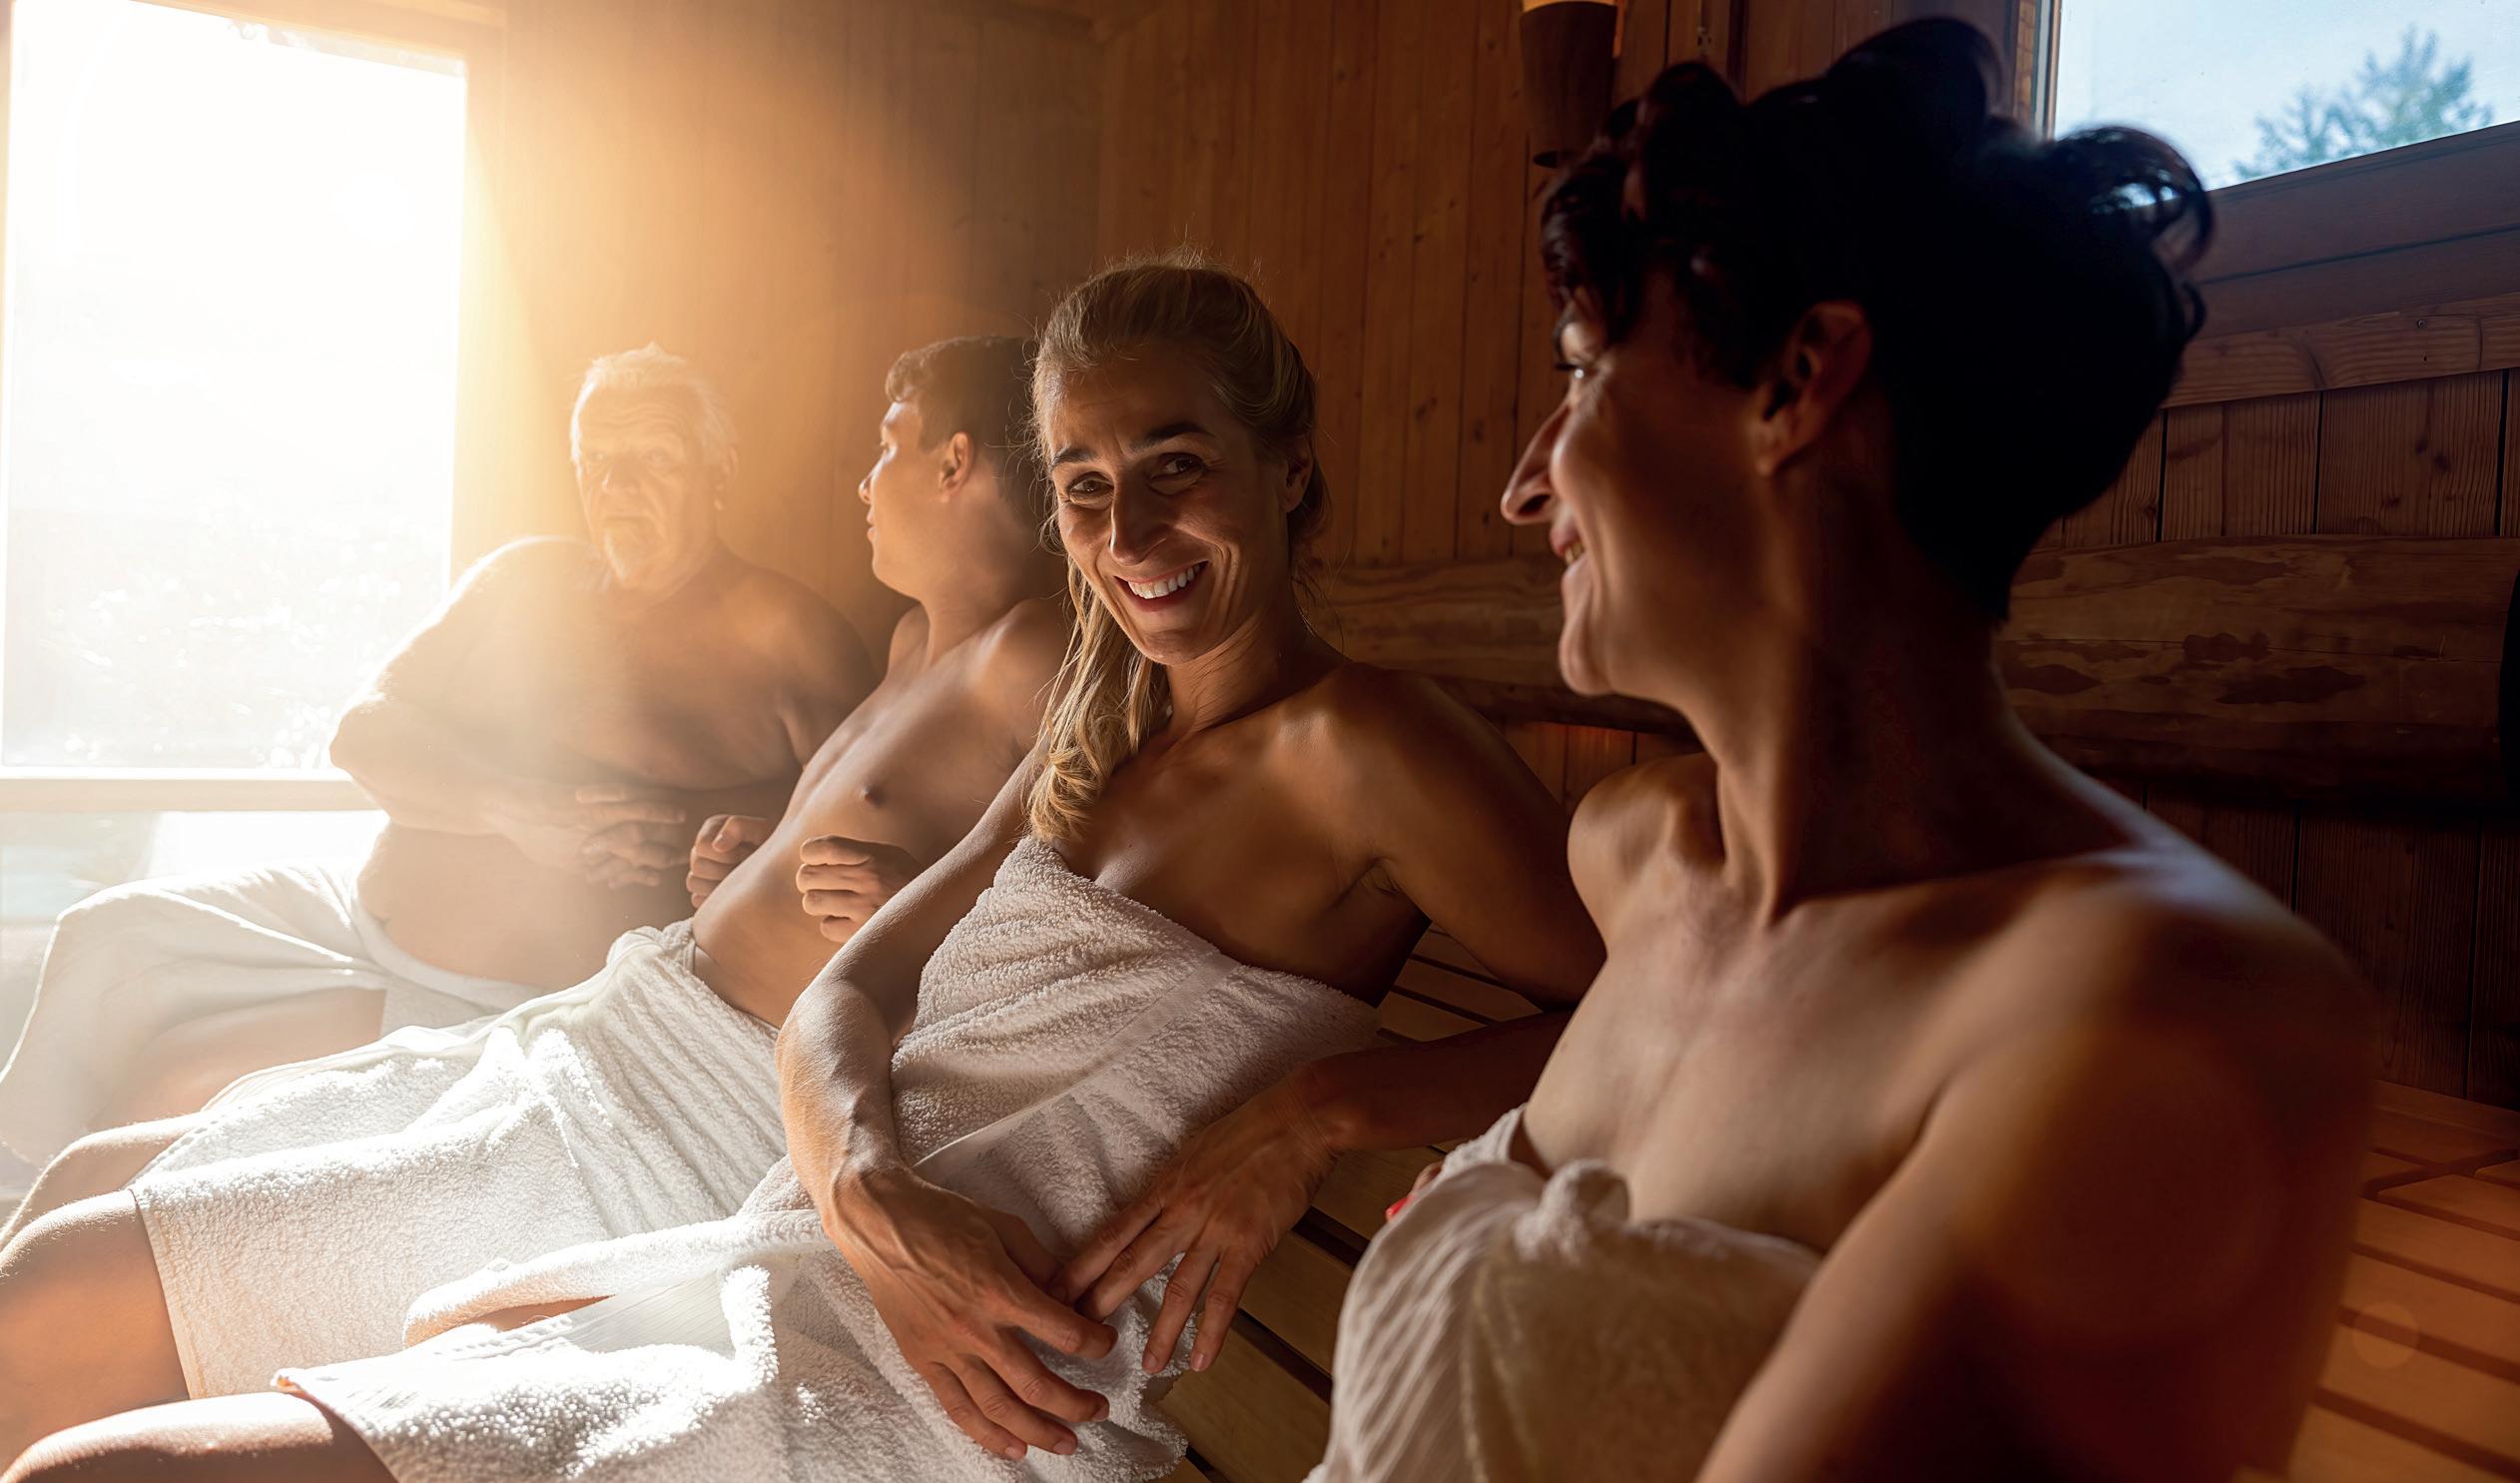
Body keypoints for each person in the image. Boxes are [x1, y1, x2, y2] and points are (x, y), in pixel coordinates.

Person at [2, 256, 1605, 1483]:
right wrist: (866, 1189)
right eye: (1086, 487)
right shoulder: (1104, 730)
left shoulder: (1371, 747)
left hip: (970, 1400)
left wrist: (1317, 1112)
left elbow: (1644, 1015)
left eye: (1176, 463)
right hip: (817, 1264)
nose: (1130, 531)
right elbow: (851, 986)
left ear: (1289, 464)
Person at [1309, 22, 2376, 1483]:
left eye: (1586, 371)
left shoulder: (2143, 1008)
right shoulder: (1636, 857)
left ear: (1800, 378)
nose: (1522, 482)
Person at [0, 335, 1078, 1463]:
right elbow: (850, 822)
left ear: (954, 463)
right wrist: (740, 859)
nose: (862, 482)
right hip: (617, 1017)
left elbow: (1072, 922)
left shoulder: (1023, 653)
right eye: (596, 461)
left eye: (887, 447)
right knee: (90, 1160)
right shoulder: (911, 642)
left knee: (65, 1290)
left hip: (689, 1098)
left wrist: (911, 906)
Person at [0, 346, 872, 1167]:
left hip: (503, 995)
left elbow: (857, 826)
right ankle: (24, 1186)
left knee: (174, 1076)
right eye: (597, 460)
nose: (618, 486)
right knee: (100, 938)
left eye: (652, 459)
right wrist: (517, 809)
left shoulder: (786, 635)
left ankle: (61, 1241)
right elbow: (362, 732)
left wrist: (711, 836)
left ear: (718, 469)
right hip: (352, 911)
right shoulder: (524, 579)